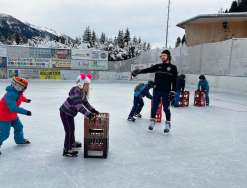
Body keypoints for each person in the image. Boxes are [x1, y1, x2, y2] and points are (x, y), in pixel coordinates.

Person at [132, 50, 178, 133]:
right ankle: (152, 121)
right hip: (156, 90)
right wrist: (139, 71)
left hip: (166, 91)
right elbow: (148, 69)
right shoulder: (158, 66)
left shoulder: (173, 68)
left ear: (168, 56)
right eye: (161, 56)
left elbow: (174, 81)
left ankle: (168, 123)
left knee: (166, 108)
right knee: (154, 107)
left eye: (164, 55)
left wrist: (173, 91)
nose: (162, 57)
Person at [59, 73, 100, 157]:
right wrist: (89, 115)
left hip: (70, 114)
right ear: (81, 84)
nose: (88, 87)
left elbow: (85, 103)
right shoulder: (76, 91)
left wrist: (93, 110)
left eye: (88, 85)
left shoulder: (82, 92)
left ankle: (72, 143)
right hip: (65, 113)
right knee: (68, 131)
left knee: (72, 129)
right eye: (87, 85)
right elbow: (79, 106)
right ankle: (66, 150)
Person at [0, 77, 32, 155]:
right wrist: (26, 112)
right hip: (4, 116)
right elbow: (13, 108)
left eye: (20, 87)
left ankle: (19, 140)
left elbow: (20, 97)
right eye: (17, 86)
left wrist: (26, 100)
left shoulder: (17, 92)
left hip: (12, 115)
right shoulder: (10, 94)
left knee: (19, 127)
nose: (18, 88)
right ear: (13, 84)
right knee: (4, 133)